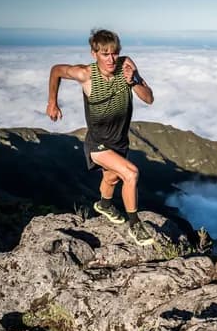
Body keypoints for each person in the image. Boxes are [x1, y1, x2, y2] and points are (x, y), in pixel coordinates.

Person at [46, 29, 155, 246]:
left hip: (119, 141)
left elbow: (149, 98)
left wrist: (133, 81)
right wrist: (52, 102)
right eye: (105, 54)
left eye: (114, 53)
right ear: (94, 53)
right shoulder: (85, 74)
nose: (111, 59)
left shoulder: (126, 65)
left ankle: (104, 205)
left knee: (111, 178)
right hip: (97, 143)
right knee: (131, 174)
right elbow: (56, 70)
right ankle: (134, 225)